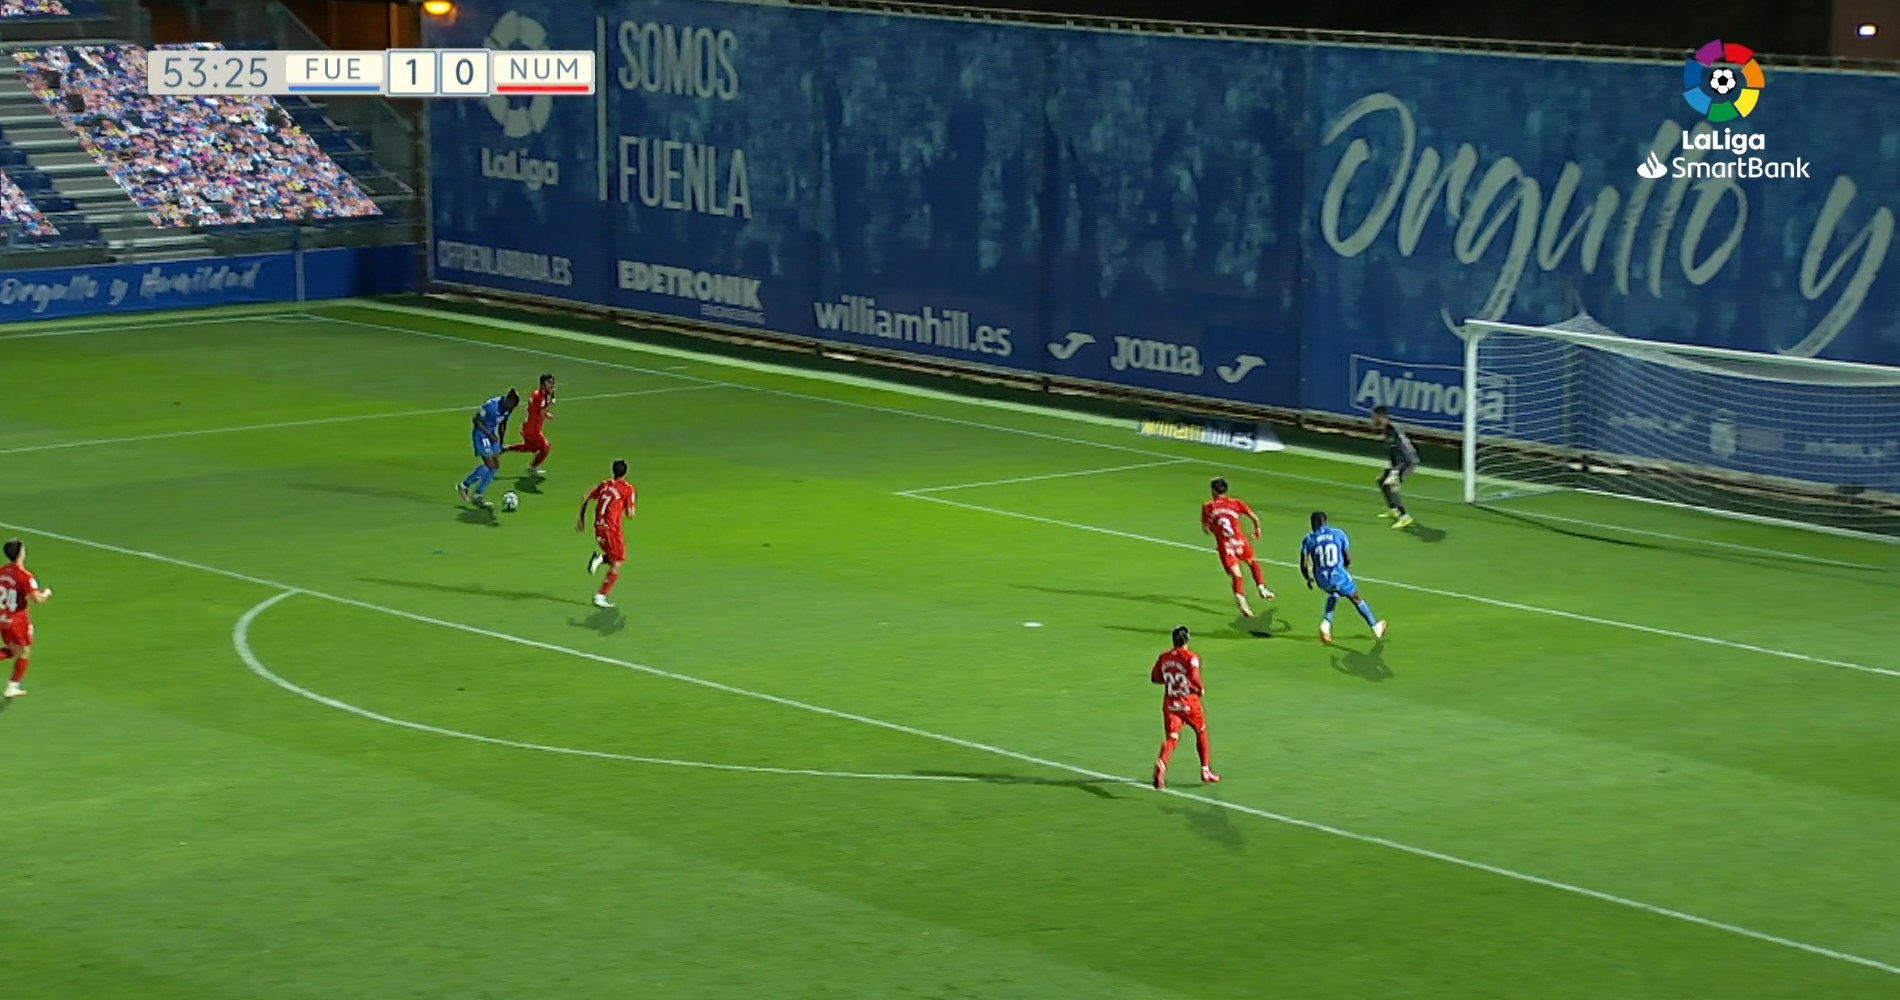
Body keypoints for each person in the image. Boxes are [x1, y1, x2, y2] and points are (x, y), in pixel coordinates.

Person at [1299, 512, 1388, 644]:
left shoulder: (1308, 539)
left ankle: (1326, 624)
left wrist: (1308, 578)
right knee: (1355, 597)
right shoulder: (1338, 533)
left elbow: (1304, 564)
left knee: (1334, 593)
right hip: (1338, 576)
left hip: (1321, 579)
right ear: (1325, 522)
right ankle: (1375, 627)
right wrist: (1347, 564)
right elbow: (1347, 557)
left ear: (1312, 524)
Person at [1150, 625, 1218, 790]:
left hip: (1171, 703)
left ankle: (1162, 762)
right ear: (1187, 639)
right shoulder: (1191, 658)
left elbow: (1155, 677)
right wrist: (1199, 688)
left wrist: (1171, 680)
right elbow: (1194, 677)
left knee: (1172, 737)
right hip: (1189, 703)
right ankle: (1205, 770)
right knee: (1201, 731)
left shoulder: (1164, 657)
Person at [1201, 477, 1273, 617]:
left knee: (1237, 574)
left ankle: (1243, 603)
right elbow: (1255, 517)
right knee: (1252, 561)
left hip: (1225, 545)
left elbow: (1206, 529)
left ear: (1213, 491)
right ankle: (1262, 588)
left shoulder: (1208, 506)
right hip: (1240, 541)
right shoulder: (1236, 503)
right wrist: (1257, 529)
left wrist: (1216, 530)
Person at [578, 459, 637, 609]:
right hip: (612, 531)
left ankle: (600, 558)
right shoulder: (627, 489)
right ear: (626, 472)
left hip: (599, 528)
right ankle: (601, 596)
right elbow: (630, 514)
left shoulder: (605, 485)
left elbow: (585, 497)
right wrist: (629, 506)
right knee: (617, 562)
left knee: (614, 558)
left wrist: (581, 520)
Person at [0, 538, 53, 699]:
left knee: (13, 650)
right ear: (20, 554)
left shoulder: (2, 571)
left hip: (2, 617)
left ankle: (13, 686)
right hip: (17, 619)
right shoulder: (25, 576)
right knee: (23, 652)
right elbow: (37, 599)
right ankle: (12, 686)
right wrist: (46, 593)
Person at [457, 388, 519, 508]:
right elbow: (476, 420)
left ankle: (478, 495)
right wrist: (490, 434)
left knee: (495, 467)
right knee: (491, 464)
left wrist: (501, 442)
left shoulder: (508, 408)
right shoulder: (491, 405)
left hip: (492, 436)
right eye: (511, 406)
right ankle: (464, 486)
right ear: (507, 399)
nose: (511, 409)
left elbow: (503, 424)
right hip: (481, 435)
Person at [1372, 405, 1418, 529]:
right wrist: (1390, 470)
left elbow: (1402, 453)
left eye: (1374, 416)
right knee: (1381, 480)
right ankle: (1394, 509)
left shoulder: (1392, 430)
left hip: (1407, 461)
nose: (1373, 418)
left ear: (1380, 416)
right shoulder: (1388, 429)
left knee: (1391, 484)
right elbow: (1394, 452)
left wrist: (1395, 471)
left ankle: (1405, 517)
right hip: (1400, 461)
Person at [504, 373, 556, 476]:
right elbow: (541, 411)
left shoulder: (536, 394)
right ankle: (532, 467)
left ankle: (506, 448)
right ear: (542, 384)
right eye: (549, 382)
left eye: (553, 382)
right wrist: (552, 403)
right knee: (545, 447)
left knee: (532, 447)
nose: (552, 385)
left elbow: (535, 410)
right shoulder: (541, 397)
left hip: (528, 427)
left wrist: (546, 414)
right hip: (533, 430)